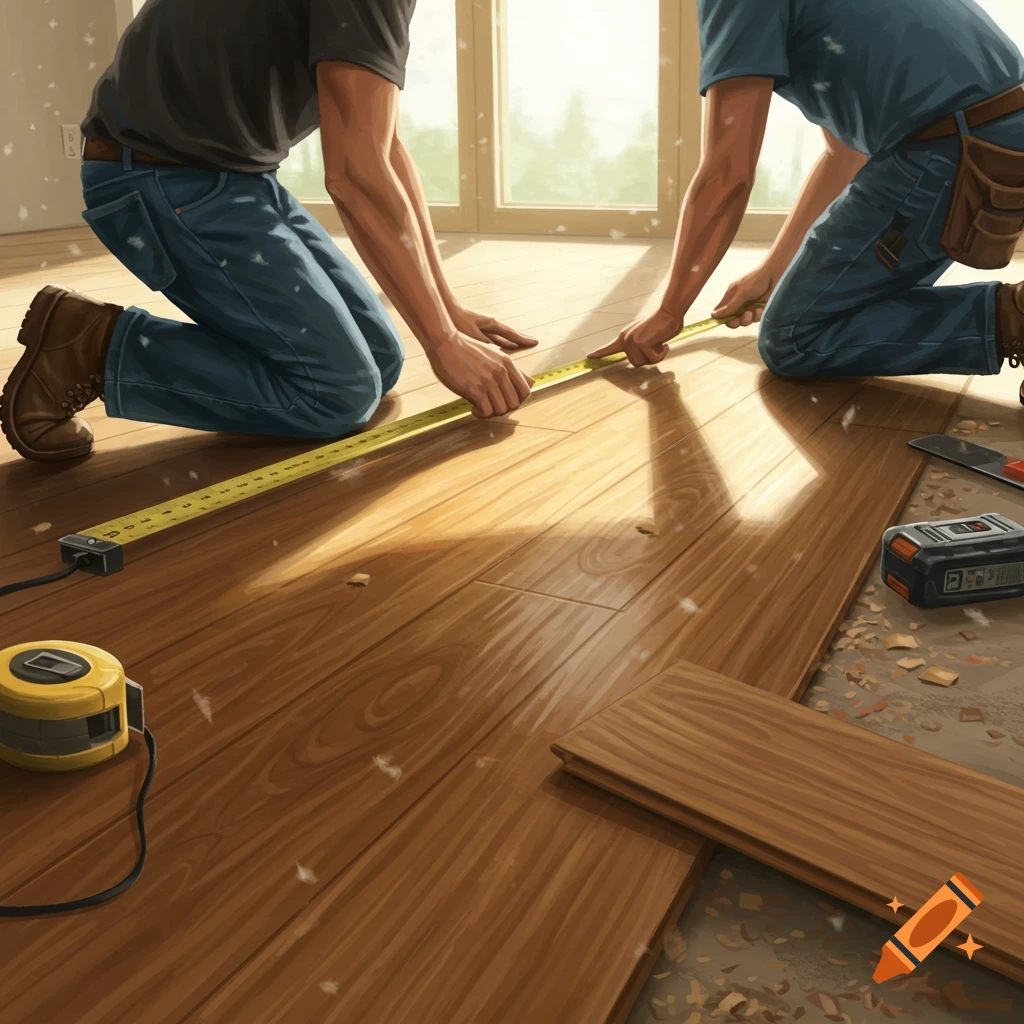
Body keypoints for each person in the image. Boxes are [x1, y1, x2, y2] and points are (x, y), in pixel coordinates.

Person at [0, 0, 536, 463]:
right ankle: (92, 344)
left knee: (380, 360)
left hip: (236, 176)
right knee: (337, 394)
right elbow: (354, 172)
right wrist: (441, 341)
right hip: (159, 176)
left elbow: (385, 147)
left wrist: (448, 312)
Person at [590, 0, 1024, 404]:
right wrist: (773, 271)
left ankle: (1015, 321)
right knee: (841, 299)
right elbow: (844, 155)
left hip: (954, 146)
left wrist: (670, 311)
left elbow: (728, 175)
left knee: (795, 336)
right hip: (997, 128)